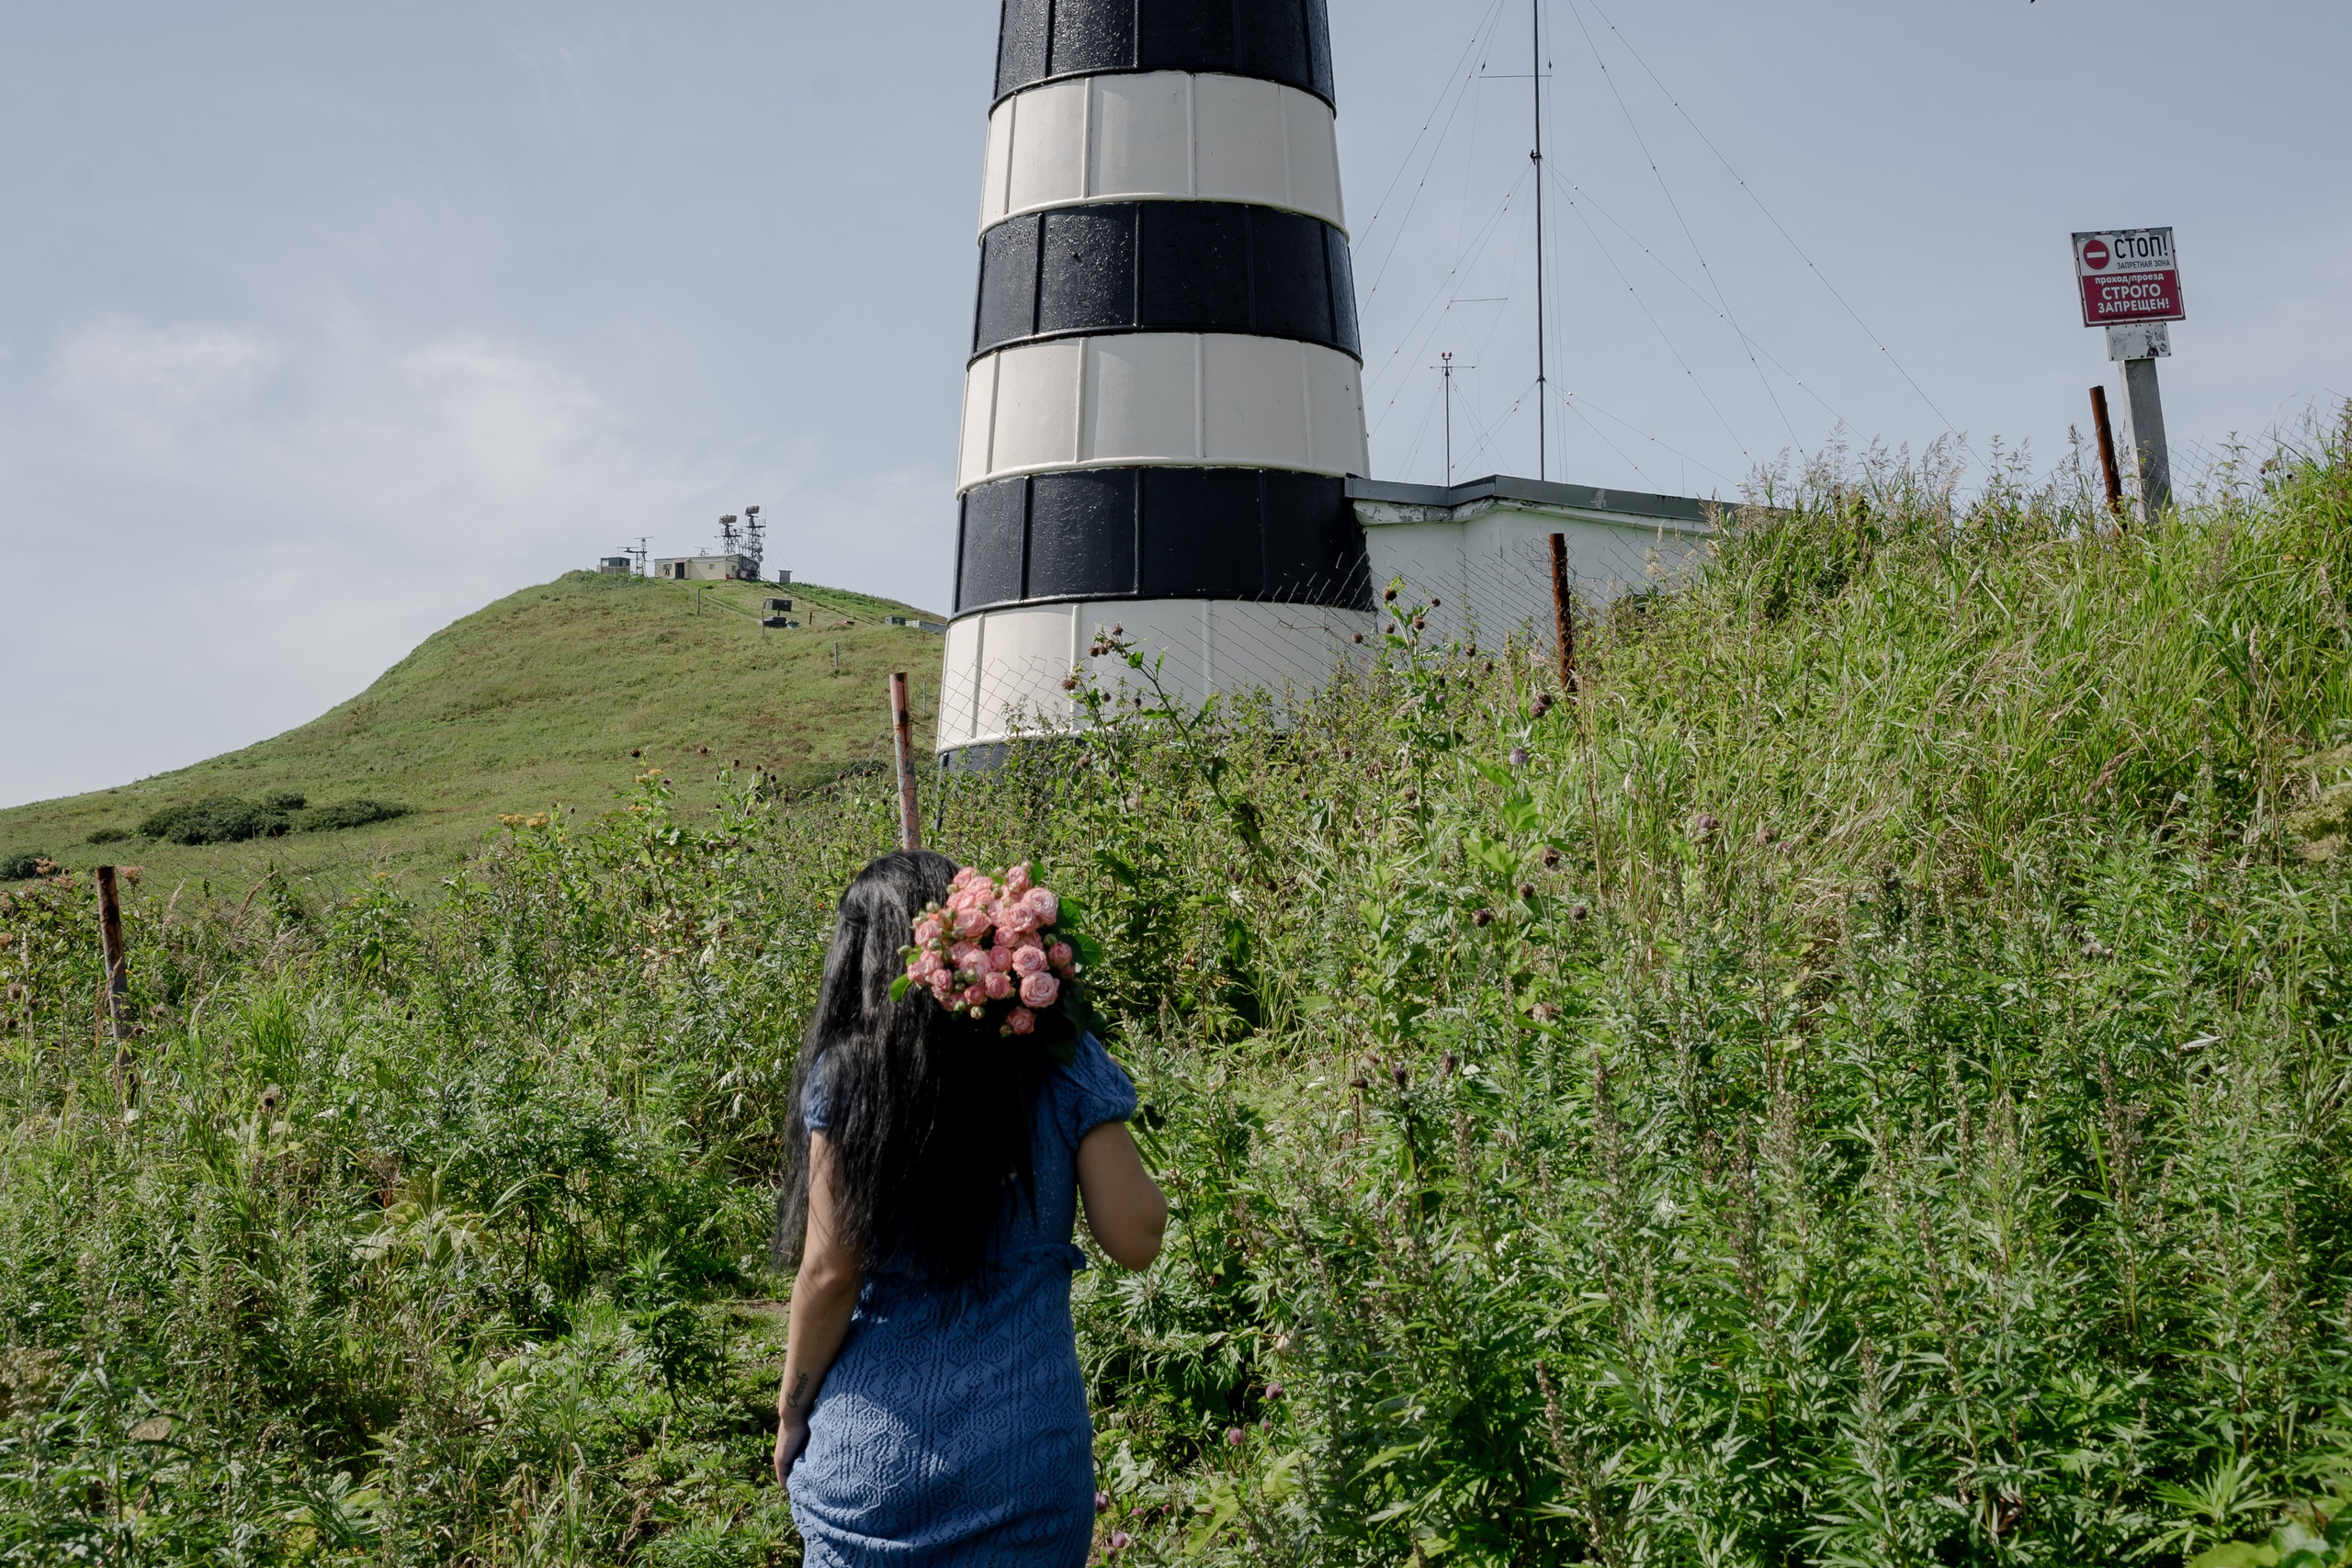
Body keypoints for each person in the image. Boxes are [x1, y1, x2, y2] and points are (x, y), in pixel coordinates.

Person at [773, 849, 1168, 1565]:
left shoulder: (850, 1076)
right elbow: (1137, 1234)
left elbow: (829, 1272)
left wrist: (792, 1408)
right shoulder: (1055, 1058)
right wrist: (1079, 1058)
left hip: (873, 1471)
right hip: (1026, 1464)